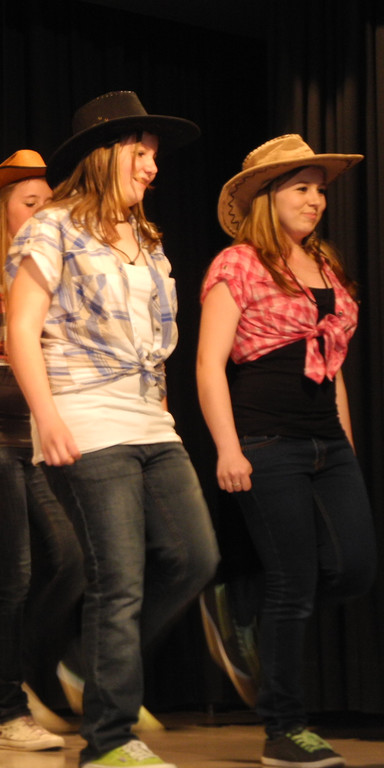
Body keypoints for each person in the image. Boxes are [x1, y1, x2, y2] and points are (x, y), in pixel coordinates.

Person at [5, 91, 219, 768]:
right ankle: (108, 739)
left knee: (194, 556)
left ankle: (84, 665)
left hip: (150, 418)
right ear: (104, 154)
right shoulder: (51, 227)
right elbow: (20, 329)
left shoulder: (146, 239)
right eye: (140, 151)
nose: (152, 166)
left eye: (154, 155)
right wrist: (46, 416)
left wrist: (161, 408)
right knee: (118, 578)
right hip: (85, 417)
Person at [196, 134, 376, 768]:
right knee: (293, 583)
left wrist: (345, 444)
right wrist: (228, 448)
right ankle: (284, 728)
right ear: (266, 198)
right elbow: (210, 364)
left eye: (319, 189)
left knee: (355, 568)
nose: (316, 200)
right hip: (267, 439)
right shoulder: (238, 263)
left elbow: (334, 364)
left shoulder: (324, 264)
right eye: (301, 188)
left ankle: (244, 607)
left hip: (326, 438)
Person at [0, 150, 75, 751]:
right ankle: (10, 707)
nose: (42, 212)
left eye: (48, 204)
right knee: (12, 573)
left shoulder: (52, 266)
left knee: (73, 559)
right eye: (30, 203)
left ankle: (17, 666)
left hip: (37, 429)